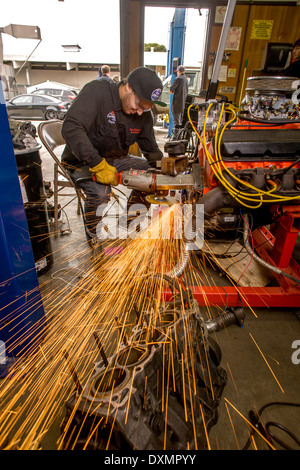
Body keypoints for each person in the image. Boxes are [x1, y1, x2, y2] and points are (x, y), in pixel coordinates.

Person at [61, 66, 167, 243]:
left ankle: (131, 224)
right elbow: (71, 127)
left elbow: (150, 149)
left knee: (153, 177)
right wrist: (97, 164)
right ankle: (94, 235)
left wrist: (165, 169)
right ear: (128, 87)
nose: (140, 111)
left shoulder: (142, 114)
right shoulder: (96, 92)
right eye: (139, 104)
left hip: (116, 159)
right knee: (101, 193)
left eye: (146, 108)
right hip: (82, 161)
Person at [169, 65, 189, 139]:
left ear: (179, 71)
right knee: (179, 122)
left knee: (176, 123)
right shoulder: (186, 79)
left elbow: (171, 90)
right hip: (182, 104)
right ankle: (179, 137)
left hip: (177, 104)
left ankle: (176, 138)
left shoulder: (178, 79)